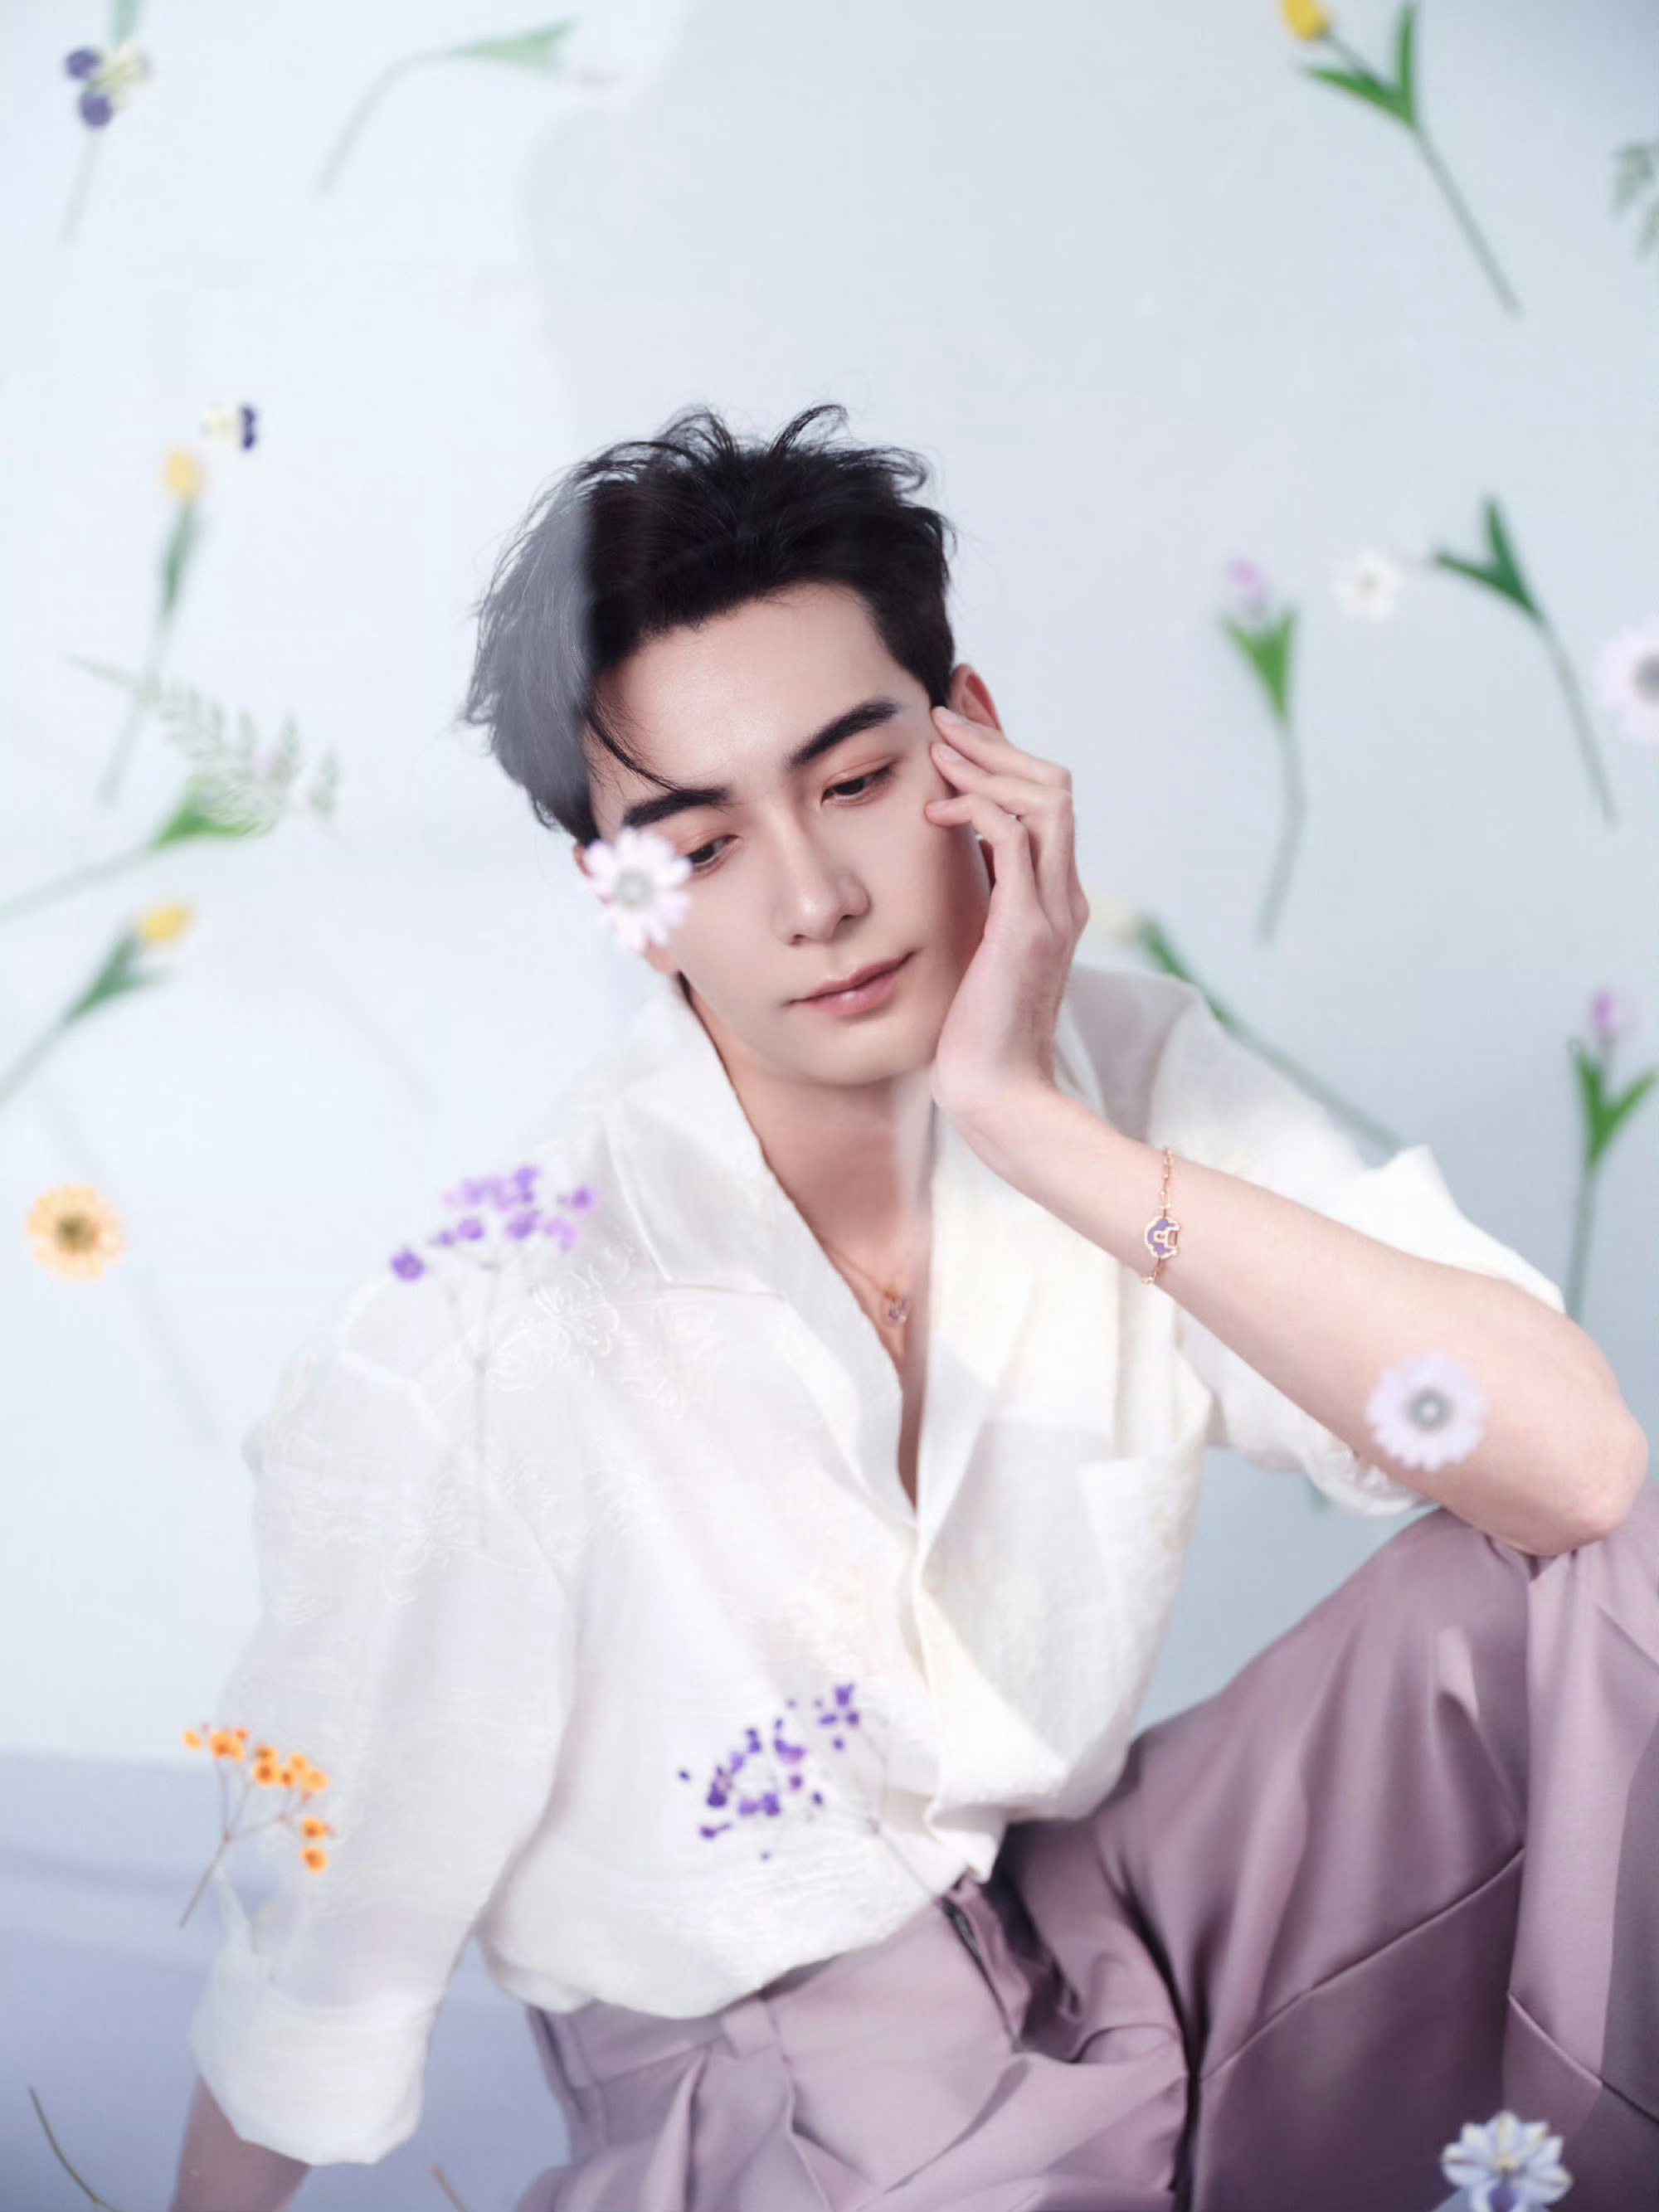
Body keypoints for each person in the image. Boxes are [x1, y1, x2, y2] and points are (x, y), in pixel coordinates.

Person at [169, 405, 1654, 2212]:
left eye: (859, 781)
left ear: (974, 744)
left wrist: (1030, 1122)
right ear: (621, 894)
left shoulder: (1115, 1071)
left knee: (1599, 1580)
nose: (815, 900)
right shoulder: (490, 1336)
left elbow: (1578, 1471)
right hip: (788, 2108)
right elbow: (326, 1951)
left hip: (1122, 1929)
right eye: (700, 843)